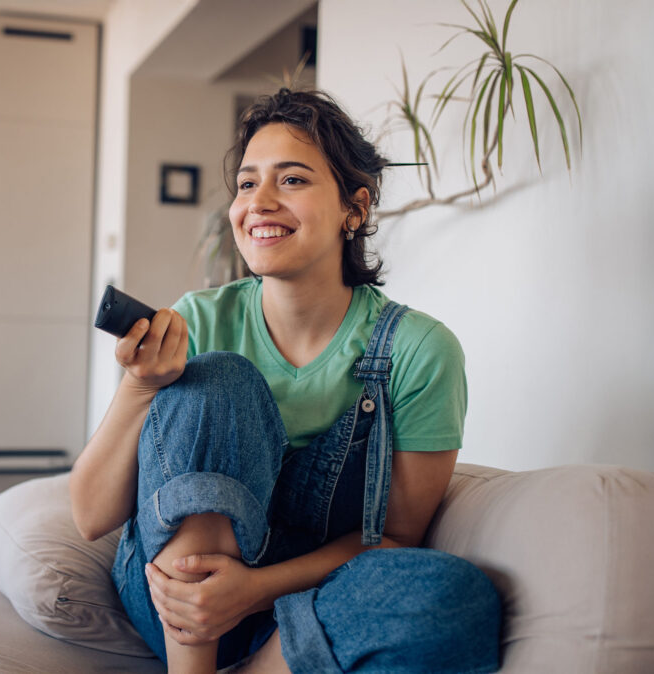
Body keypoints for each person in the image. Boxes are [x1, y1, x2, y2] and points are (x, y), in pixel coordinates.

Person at [70, 88, 501, 674]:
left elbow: (394, 540)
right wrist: (140, 387)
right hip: (173, 610)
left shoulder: (418, 350)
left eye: (292, 180)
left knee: (458, 599)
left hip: (307, 603)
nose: (260, 202)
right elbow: (92, 516)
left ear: (356, 208)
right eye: (248, 184)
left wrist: (253, 589)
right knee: (221, 379)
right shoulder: (199, 320)